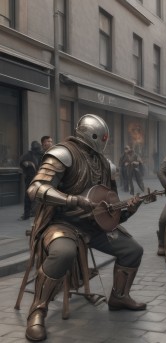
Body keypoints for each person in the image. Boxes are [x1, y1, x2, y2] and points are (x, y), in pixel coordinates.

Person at [24, 114, 147, 341]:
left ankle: (119, 296)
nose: (102, 142)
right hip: (63, 223)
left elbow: (111, 210)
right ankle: (37, 311)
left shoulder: (104, 163)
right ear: (90, 135)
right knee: (64, 253)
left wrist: (130, 208)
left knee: (132, 250)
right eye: (100, 137)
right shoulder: (63, 153)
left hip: (95, 226)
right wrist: (72, 200)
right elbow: (36, 188)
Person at [19, 141, 43, 220]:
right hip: (31, 178)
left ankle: (35, 213)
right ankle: (27, 214)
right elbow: (23, 163)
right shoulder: (28, 155)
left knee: (40, 196)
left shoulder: (42, 154)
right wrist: (28, 164)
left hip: (40, 177)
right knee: (28, 196)